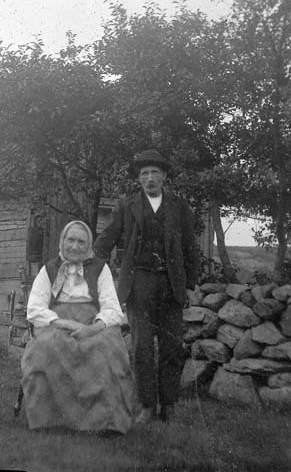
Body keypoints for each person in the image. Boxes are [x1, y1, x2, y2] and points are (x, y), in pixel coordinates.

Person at [93, 149, 198, 424]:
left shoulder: (179, 206)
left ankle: (169, 404)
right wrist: (90, 266)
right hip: (139, 283)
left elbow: (190, 246)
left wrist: (190, 284)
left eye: (154, 173)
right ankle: (148, 405)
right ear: (139, 179)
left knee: (172, 346)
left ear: (163, 177)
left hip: (171, 284)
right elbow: (107, 239)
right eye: (144, 174)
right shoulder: (126, 205)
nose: (149, 178)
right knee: (141, 348)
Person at [21, 220, 134, 433]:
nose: (75, 246)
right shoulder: (49, 270)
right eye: (70, 240)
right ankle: (49, 419)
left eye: (81, 242)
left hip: (93, 323)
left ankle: (105, 422)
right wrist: (63, 323)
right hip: (57, 322)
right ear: (62, 242)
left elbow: (112, 308)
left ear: (89, 245)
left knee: (106, 348)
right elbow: (35, 308)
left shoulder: (100, 268)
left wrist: (92, 329)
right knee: (44, 347)